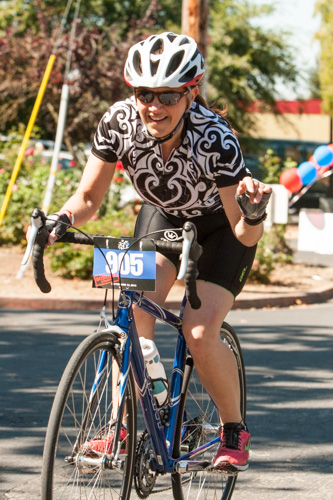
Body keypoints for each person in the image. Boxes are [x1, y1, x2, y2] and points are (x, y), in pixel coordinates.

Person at [38, 32, 272, 471]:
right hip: (162, 216)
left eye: (168, 95)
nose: (154, 105)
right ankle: (127, 424)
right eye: (145, 93)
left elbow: (244, 234)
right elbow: (88, 198)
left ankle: (233, 431)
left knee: (198, 333)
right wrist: (60, 221)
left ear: (191, 93)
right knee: (129, 319)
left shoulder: (215, 139)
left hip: (222, 229)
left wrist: (254, 215)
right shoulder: (118, 123)